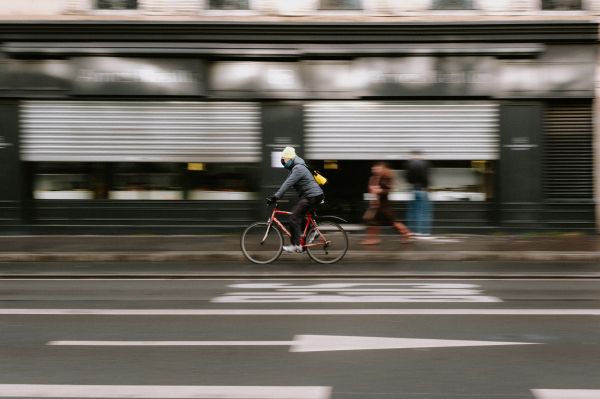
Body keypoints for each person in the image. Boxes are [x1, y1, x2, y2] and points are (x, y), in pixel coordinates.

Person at [268, 147, 324, 253]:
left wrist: (275, 197)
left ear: (289, 159)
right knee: (300, 215)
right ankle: (313, 231)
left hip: (312, 196)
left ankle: (296, 245)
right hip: (313, 195)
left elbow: (287, 184)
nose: (283, 162)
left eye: (284, 159)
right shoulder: (296, 167)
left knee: (293, 217)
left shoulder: (298, 168)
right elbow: (288, 183)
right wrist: (277, 196)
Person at [361, 162, 412, 245]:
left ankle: (407, 234)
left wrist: (380, 190)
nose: (374, 170)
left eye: (377, 168)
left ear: (382, 169)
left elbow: (388, 190)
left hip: (384, 206)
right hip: (375, 205)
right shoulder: (373, 178)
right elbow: (371, 190)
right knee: (371, 221)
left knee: (393, 222)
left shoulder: (386, 178)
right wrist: (372, 194)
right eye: (373, 168)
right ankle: (373, 239)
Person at [405, 150, 432, 236]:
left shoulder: (409, 164)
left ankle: (412, 231)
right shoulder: (424, 164)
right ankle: (422, 232)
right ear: (420, 155)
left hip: (413, 189)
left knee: (412, 211)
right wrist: (426, 186)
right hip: (422, 189)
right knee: (423, 211)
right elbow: (426, 177)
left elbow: (407, 178)